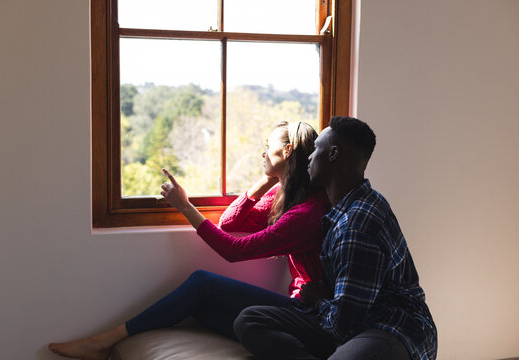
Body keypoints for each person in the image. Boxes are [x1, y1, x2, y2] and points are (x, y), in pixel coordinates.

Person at [48, 121, 330, 360]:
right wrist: (269, 179)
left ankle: (104, 341)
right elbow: (230, 222)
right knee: (200, 308)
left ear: (287, 150)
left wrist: (185, 207)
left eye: (268, 147)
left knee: (201, 283)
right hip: (295, 307)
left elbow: (232, 250)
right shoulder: (287, 198)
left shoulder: (307, 213)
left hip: (305, 313)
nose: (263, 153)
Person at [234, 117, 438, 360]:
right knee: (250, 319)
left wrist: (320, 300)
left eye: (316, 149)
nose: (309, 157)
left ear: (332, 155)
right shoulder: (344, 207)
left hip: (391, 327)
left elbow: (344, 326)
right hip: (351, 322)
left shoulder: (357, 224)